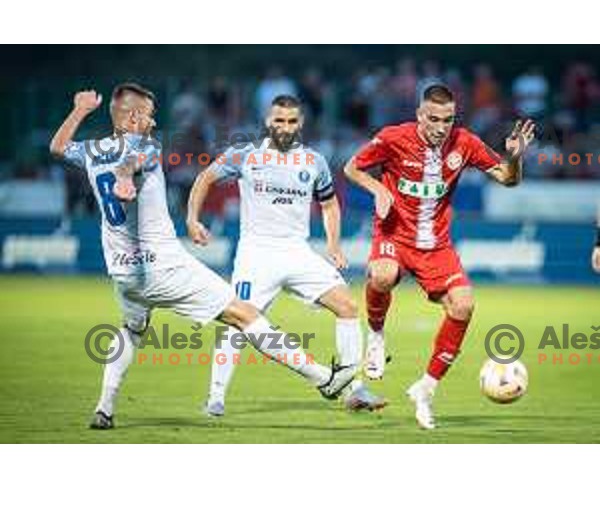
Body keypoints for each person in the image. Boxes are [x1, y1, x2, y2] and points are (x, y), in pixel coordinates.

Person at [49, 84, 355, 429]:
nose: (153, 121)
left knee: (132, 329)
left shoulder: (93, 149)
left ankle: (104, 407)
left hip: (124, 273)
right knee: (246, 315)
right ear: (134, 117)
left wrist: (80, 110)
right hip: (164, 268)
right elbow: (133, 162)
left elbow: (58, 147)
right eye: (149, 114)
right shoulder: (146, 146)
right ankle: (322, 378)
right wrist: (123, 176)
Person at [344, 84, 535, 429]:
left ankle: (426, 389)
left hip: (436, 245)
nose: (440, 126)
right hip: (394, 235)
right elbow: (351, 168)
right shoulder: (393, 138)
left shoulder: (465, 142)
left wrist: (515, 157)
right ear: (420, 115)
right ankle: (375, 336)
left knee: (463, 305)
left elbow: (508, 180)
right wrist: (379, 189)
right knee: (383, 276)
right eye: (433, 118)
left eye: (447, 119)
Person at [187, 95, 386, 416]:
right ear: (268, 121)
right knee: (236, 322)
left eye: (292, 121)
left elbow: (329, 204)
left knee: (347, 306)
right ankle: (215, 397)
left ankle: (353, 386)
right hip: (256, 254)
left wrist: (333, 245)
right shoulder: (246, 154)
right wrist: (192, 219)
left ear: (301, 123)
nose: (285, 127)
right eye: (279, 120)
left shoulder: (313, 161)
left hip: (298, 252)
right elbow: (205, 178)